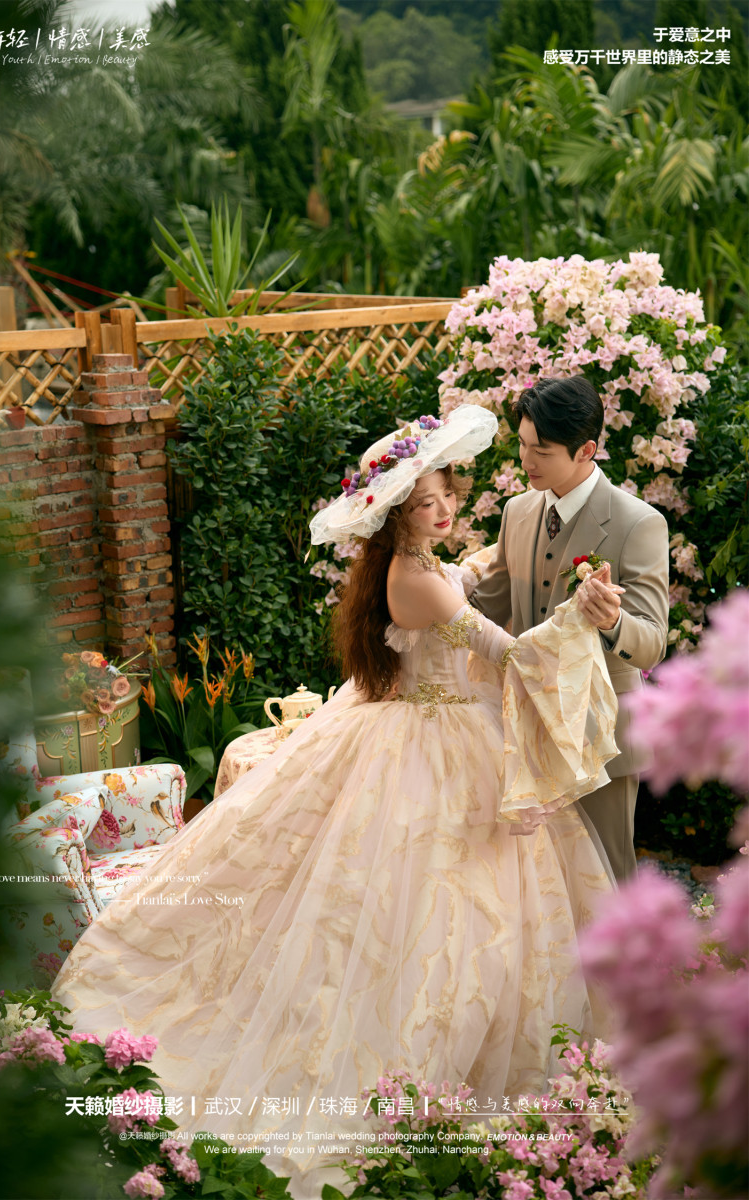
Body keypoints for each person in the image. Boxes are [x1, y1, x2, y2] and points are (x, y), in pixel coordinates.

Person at [52, 404, 620, 1199]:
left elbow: (461, 578)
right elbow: (512, 656)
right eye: (424, 503)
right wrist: (575, 616)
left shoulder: (416, 567)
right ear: (394, 517)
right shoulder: (416, 580)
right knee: (426, 909)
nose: (443, 508)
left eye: (446, 493)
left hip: (429, 732)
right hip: (435, 749)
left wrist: (495, 553)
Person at [469, 376, 670, 880]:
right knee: (536, 887)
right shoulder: (516, 512)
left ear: (586, 450)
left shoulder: (638, 522)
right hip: (526, 731)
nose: (526, 461)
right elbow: (484, 609)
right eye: (522, 445)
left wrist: (613, 620)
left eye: (541, 451)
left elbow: (652, 644)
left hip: (601, 739)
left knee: (606, 880)